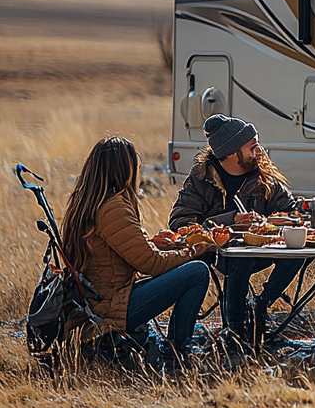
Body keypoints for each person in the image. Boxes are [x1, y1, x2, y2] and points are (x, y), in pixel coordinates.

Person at [61, 136, 212, 361]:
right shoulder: (113, 207)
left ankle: (176, 346)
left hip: (100, 300)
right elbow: (151, 264)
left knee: (190, 269)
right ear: (125, 169)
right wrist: (193, 251)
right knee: (197, 271)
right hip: (110, 309)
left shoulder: (88, 201)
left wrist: (154, 244)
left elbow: (116, 251)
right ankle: (178, 351)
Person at [168, 114, 298, 344]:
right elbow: (180, 223)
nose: (259, 152)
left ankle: (261, 305)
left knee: (299, 246)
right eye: (252, 147)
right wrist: (231, 219)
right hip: (218, 253)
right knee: (241, 257)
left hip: (264, 249)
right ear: (230, 152)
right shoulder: (201, 179)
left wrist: (275, 221)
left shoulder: (264, 175)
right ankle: (235, 331)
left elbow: (292, 212)